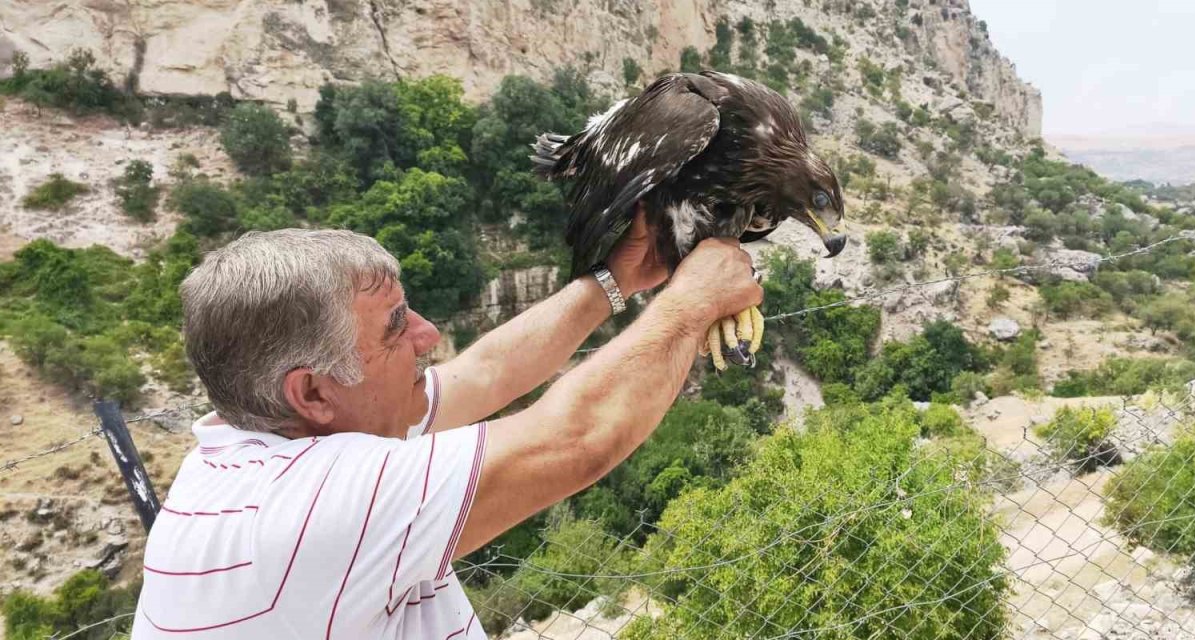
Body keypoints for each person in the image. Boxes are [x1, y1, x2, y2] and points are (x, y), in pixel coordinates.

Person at [130, 210, 762, 639]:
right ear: (313, 391)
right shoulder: (303, 511)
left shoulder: (250, 450)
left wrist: (615, 280)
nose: (429, 336)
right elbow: (578, 438)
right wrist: (694, 300)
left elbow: (483, 374)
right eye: (396, 325)